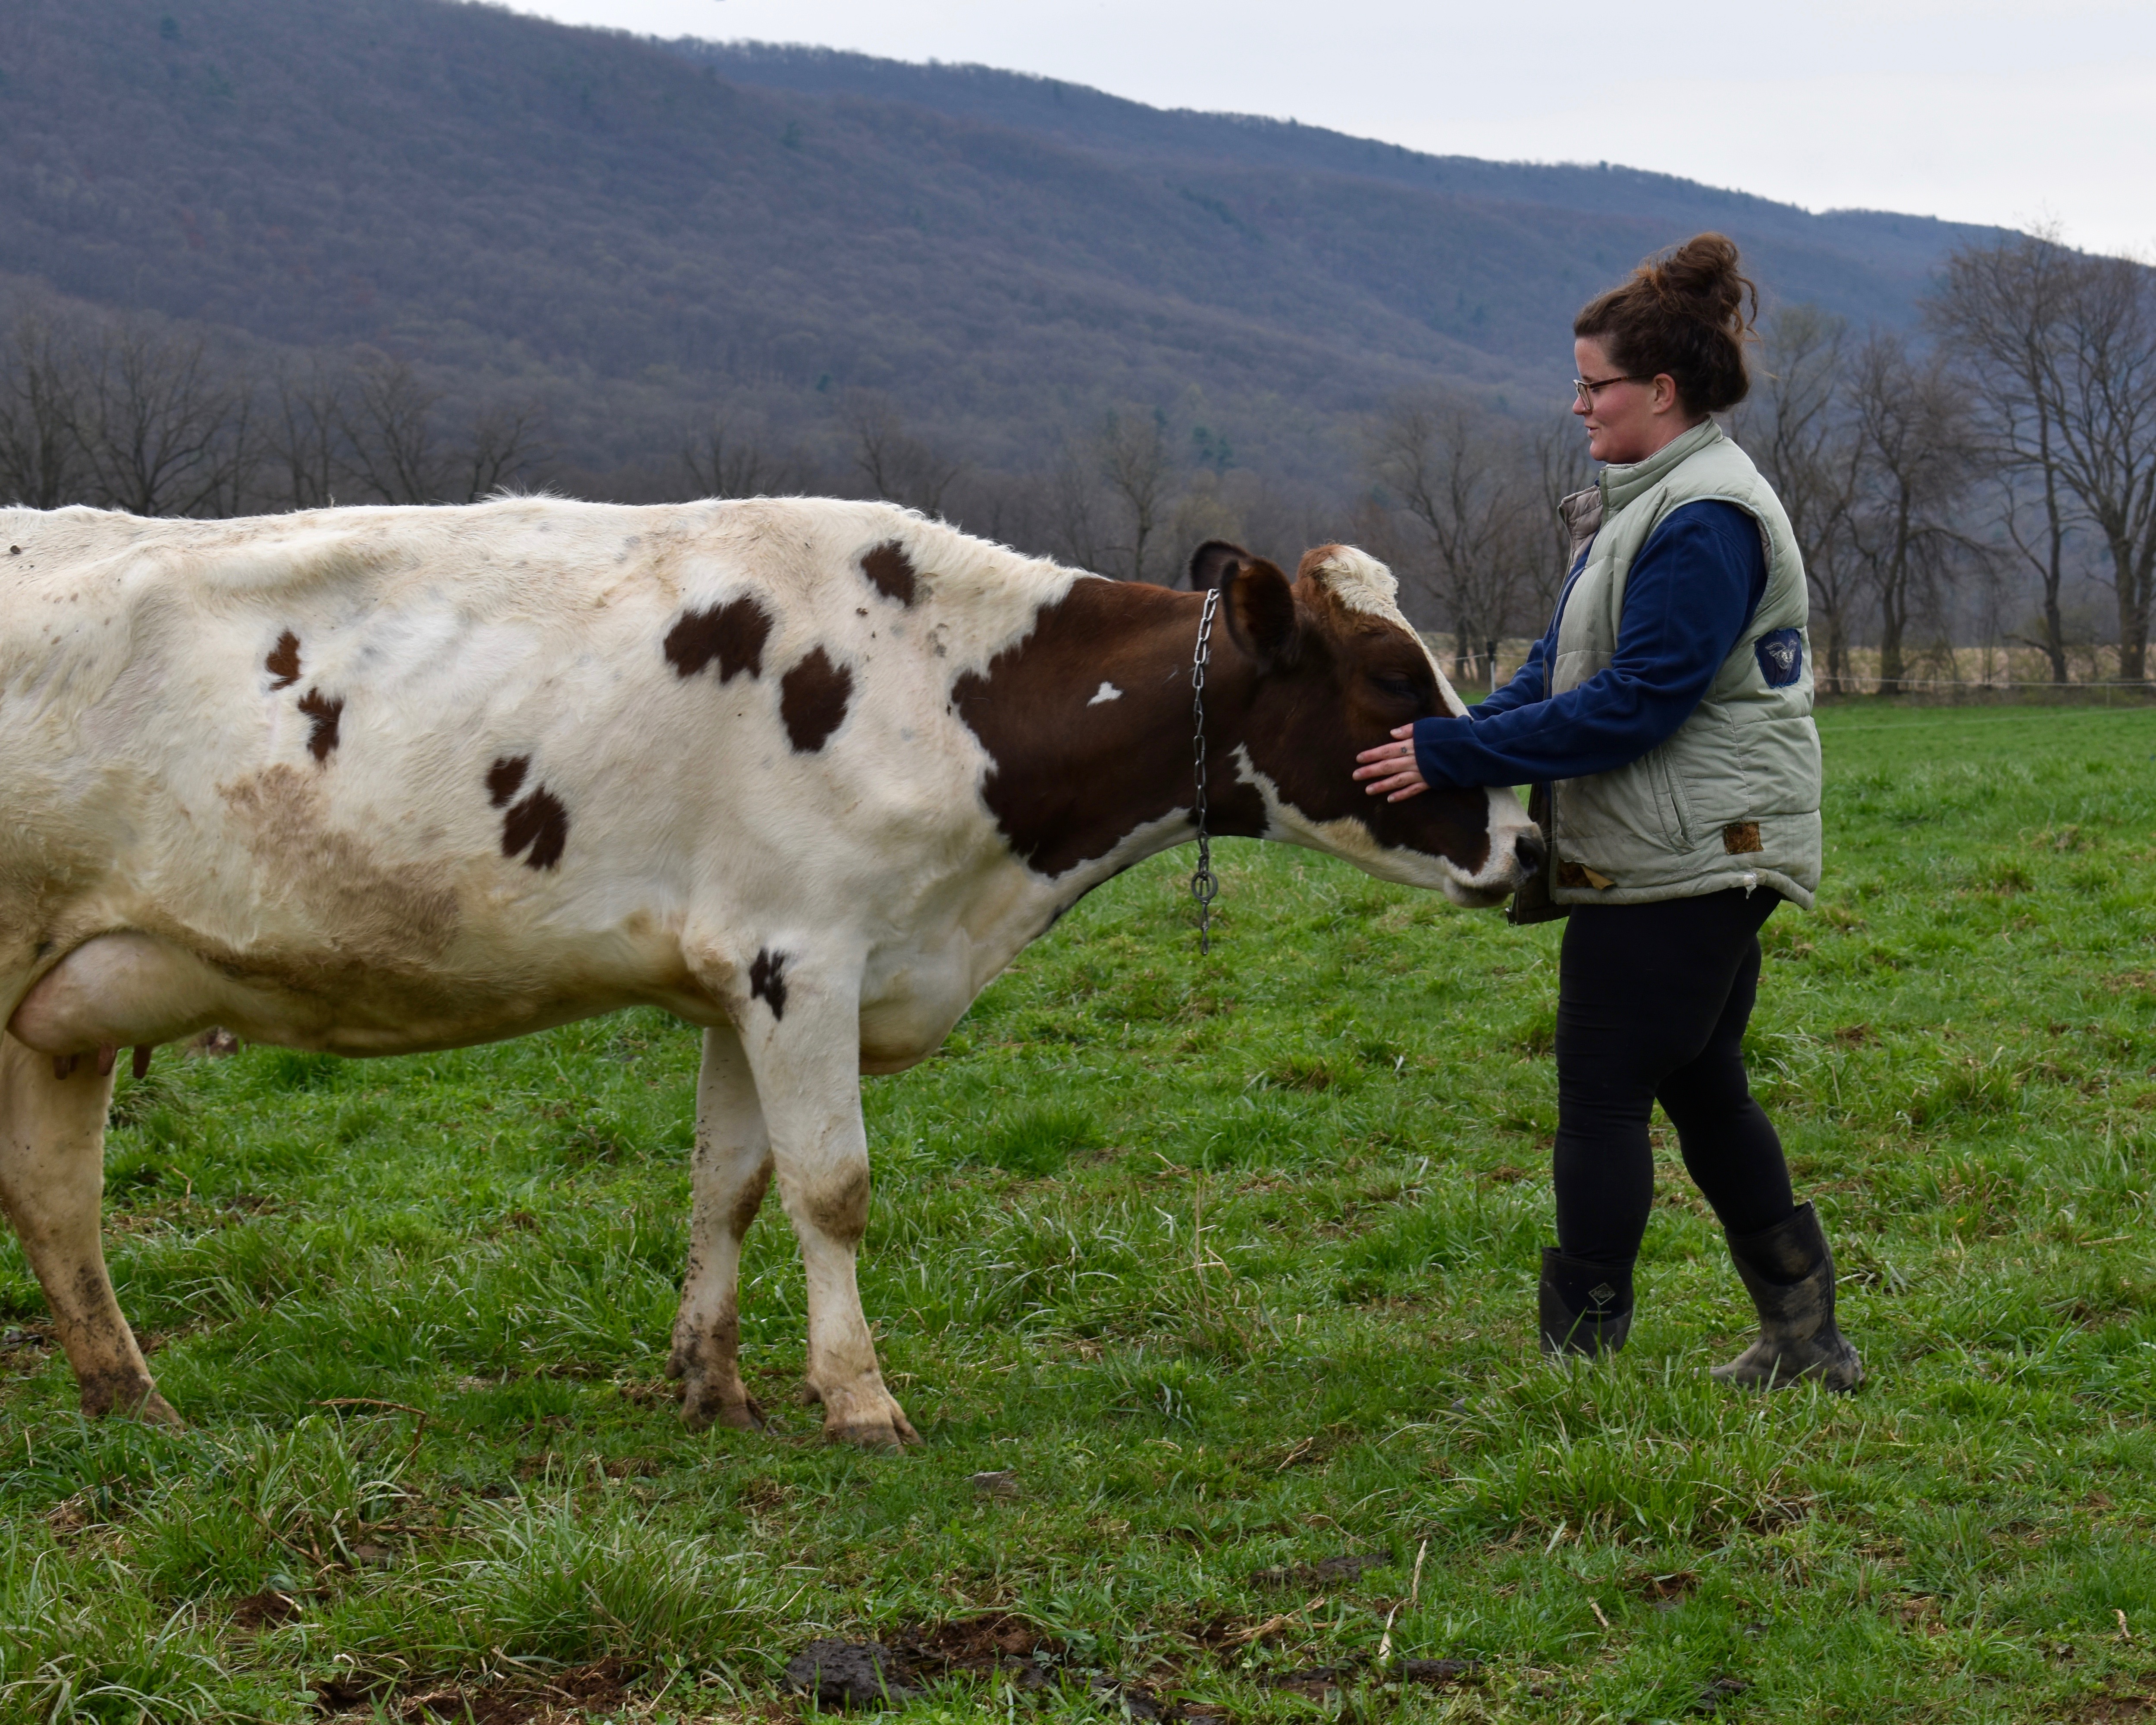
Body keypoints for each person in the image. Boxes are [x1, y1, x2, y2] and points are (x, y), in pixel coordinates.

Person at [1351, 233, 1859, 1391]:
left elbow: (1637, 703)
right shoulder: (1641, 509)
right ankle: (1806, 1341)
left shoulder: (1704, 517)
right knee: (1699, 1082)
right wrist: (1459, 746)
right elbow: (1554, 672)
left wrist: (1457, 749)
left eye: (1594, 385)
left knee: (1601, 1094)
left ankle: (1582, 1370)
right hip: (1687, 848)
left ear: (1662, 392)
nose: (1575, 403)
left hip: (1693, 856)